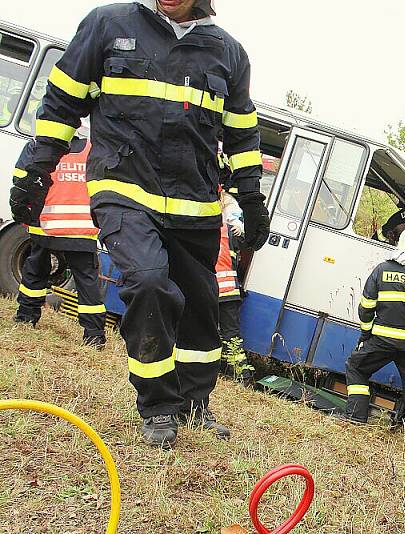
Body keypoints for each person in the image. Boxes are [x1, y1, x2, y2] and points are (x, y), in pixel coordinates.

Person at [9, 0, 270, 449]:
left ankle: (193, 404)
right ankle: (158, 406)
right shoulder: (108, 24)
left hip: (196, 206)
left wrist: (251, 197)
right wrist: (36, 171)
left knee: (201, 314)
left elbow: (243, 134)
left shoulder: (229, 53)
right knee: (148, 282)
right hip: (122, 187)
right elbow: (61, 103)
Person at [342, 226, 405, 451]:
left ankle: (355, 419)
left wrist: (365, 334)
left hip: (381, 341)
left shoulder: (381, 270)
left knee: (356, 367)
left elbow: (366, 307)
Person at [13, 122, 106, 349]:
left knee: (35, 272)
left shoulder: (38, 147)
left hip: (46, 225)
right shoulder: (92, 149)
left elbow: (21, 182)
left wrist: (22, 214)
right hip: (81, 229)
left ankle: (26, 316)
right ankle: (94, 336)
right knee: (88, 283)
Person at [216, 191, 253, 381]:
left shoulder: (210, 226)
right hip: (228, 290)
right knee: (231, 336)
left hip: (214, 289)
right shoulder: (230, 228)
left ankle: (239, 375)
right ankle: (242, 376)